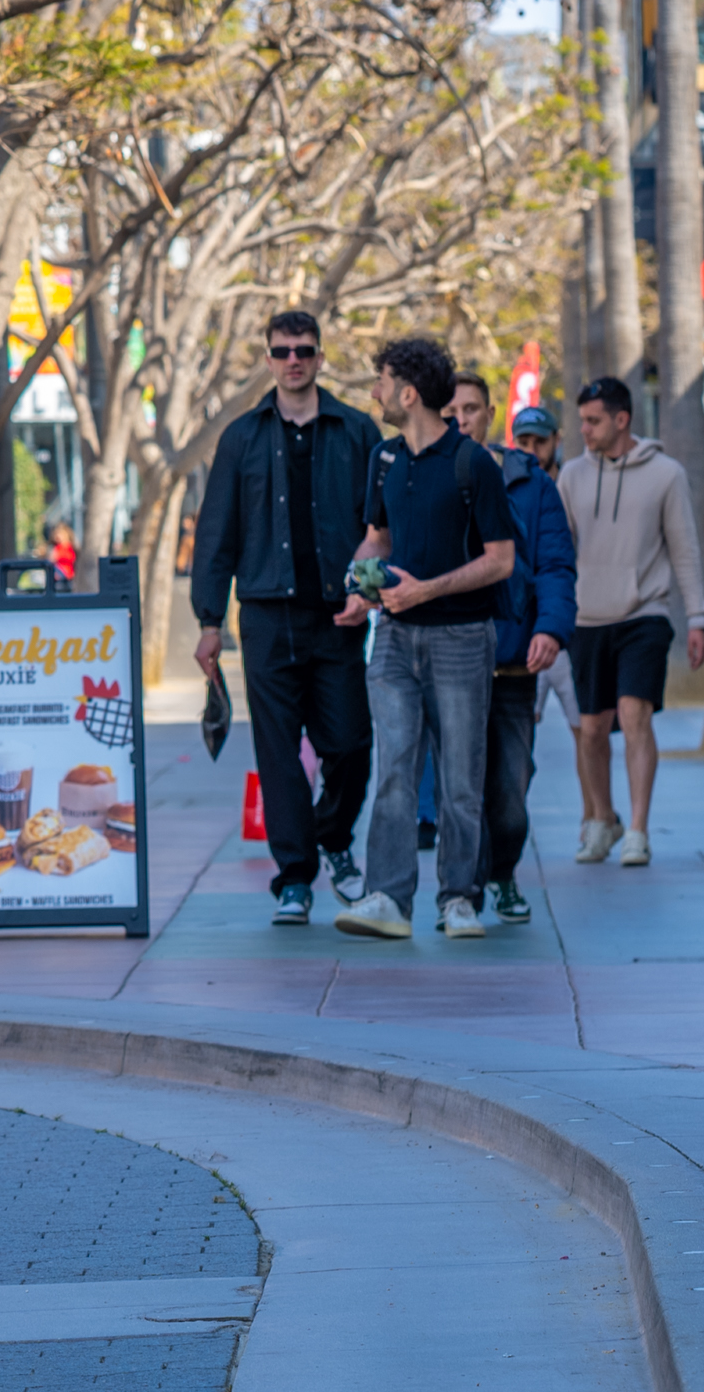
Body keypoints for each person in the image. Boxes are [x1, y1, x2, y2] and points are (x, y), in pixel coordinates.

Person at [187, 307, 384, 922]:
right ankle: (295, 877)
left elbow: (381, 527)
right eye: (281, 351)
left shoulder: (357, 430)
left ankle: (333, 837)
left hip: (338, 615)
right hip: (267, 618)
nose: (293, 361)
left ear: (321, 356)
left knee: (350, 744)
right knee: (277, 754)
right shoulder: (242, 437)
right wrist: (209, 622)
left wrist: (368, 591)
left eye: (303, 350)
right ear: (268, 359)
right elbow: (216, 532)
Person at [333, 336, 516, 943]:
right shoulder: (384, 460)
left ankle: (458, 899)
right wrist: (360, 586)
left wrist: (427, 590)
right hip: (392, 638)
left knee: (462, 777)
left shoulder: (473, 464)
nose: (375, 391)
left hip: (462, 638)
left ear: (409, 392)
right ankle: (387, 897)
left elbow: (501, 560)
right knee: (396, 769)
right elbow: (377, 540)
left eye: (382, 380)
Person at [558, 377, 704, 869]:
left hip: (645, 613)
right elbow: (558, 553)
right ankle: (604, 820)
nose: (584, 429)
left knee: (633, 715)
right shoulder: (572, 477)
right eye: (582, 420)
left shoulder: (665, 474)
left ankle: (639, 832)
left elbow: (685, 551)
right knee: (592, 728)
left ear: (622, 420)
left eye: (593, 420)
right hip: (587, 617)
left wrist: (698, 618)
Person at [480, 401, 579, 923]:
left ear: (488, 415)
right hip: (451, 666)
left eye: (472, 409)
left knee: (510, 795)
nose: (463, 418)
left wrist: (551, 629)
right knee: (459, 788)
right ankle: (462, 892)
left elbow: (558, 566)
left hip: (516, 667)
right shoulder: (422, 475)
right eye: (453, 409)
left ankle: (503, 872)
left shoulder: (534, 486)